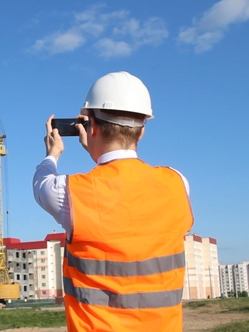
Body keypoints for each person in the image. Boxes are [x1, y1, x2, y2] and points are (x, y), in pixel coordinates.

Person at [33, 71, 193, 331]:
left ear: (91, 127)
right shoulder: (177, 183)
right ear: (141, 132)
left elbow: (41, 183)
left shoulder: (71, 192)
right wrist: (98, 150)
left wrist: (52, 153)